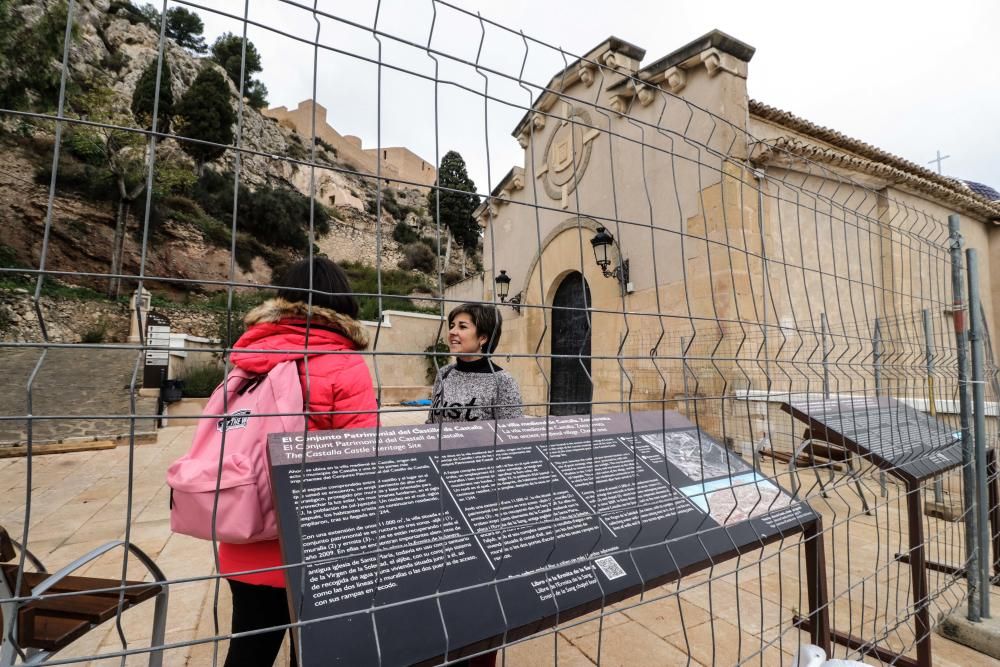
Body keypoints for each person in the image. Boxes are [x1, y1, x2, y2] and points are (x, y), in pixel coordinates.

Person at [220, 257, 378, 667]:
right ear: (343, 302)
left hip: (244, 529)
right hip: (313, 544)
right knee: (312, 655)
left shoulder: (250, 355)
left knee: (248, 650)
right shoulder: (346, 364)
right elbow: (359, 465)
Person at [427, 302, 523, 423]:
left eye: (462, 327)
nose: (452, 332)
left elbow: (512, 433)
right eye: (452, 326)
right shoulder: (444, 372)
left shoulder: (502, 381)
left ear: (482, 338)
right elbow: (430, 423)